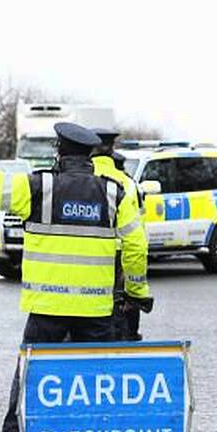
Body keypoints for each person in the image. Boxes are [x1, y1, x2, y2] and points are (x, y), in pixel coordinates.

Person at [0, 122, 150, 432]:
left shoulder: (38, 187)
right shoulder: (113, 192)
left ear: (59, 152)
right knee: (98, 384)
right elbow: (136, 246)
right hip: (95, 312)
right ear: (90, 155)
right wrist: (136, 292)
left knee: (31, 379)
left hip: (47, 308)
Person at [90, 128, 152, 341]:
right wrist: (137, 291)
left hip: (88, 259)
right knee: (123, 317)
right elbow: (137, 237)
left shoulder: (79, 178)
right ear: (111, 149)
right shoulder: (128, 183)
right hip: (119, 262)